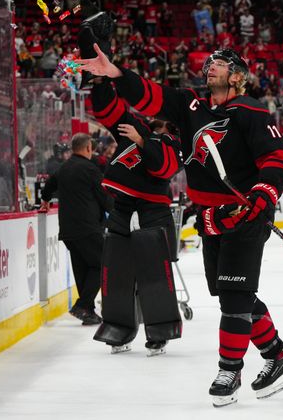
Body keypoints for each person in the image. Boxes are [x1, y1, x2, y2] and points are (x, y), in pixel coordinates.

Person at [80, 45, 283, 407]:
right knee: (234, 294)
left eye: (219, 64)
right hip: (212, 218)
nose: (210, 67)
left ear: (236, 75)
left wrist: (264, 194)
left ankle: (229, 369)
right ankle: (278, 356)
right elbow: (152, 96)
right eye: (209, 63)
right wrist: (116, 74)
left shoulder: (252, 111)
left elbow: (275, 157)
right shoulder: (190, 106)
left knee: (234, 296)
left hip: (244, 213)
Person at [88, 76, 184, 356]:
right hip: (122, 210)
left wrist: (143, 140)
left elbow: (163, 168)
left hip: (153, 213)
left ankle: (160, 331)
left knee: (155, 277)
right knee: (115, 273)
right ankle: (118, 327)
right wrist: (100, 81)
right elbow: (111, 111)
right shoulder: (138, 129)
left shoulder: (178, 143)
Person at [40, 133, 112, 324]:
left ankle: (87, 311)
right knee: (103, 262)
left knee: (83, 268)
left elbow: (48, 185)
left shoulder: (63, 168)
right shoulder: (90, 169)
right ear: (88, 148)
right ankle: (83, 305)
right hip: (87, 227)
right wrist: (117, 212)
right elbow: (104, 197)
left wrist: (45, 200)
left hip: (68, 229)